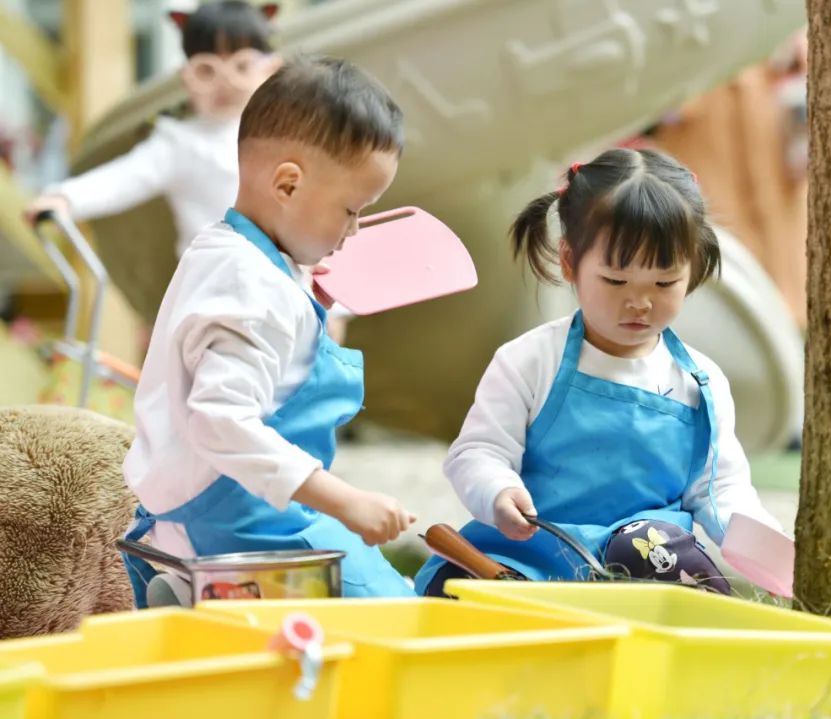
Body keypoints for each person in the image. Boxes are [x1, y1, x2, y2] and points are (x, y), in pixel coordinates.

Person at [414, 148, 782, 597]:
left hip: (644, 560)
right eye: (615, 281)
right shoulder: (529, 360)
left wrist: (770, 550)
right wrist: (497, 491)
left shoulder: (701, 382)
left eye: (665, 283)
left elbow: (719, 487)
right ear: (570, 262)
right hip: (532, 553)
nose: (640, 303)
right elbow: (478, 451)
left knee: (648, 548)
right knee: (452, 589)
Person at [121, 56, 415, 608]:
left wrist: (309, 311)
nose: (354, 231)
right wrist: (345, 500)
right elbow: (220, 419)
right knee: (394, 614)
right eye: (351, 210)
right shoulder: (251, 287)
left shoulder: (230, 253)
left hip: (201, 516)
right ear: (287, 183)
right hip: (241, 527)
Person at [24, 1, 281, 260]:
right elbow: (124, 177)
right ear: (186, 76)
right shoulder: (180, 143)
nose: (225, 83)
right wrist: (65, 198)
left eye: (242, 66)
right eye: (207, 70)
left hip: (283, 282)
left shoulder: (287, 131)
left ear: (271, 68)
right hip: (213, 282)